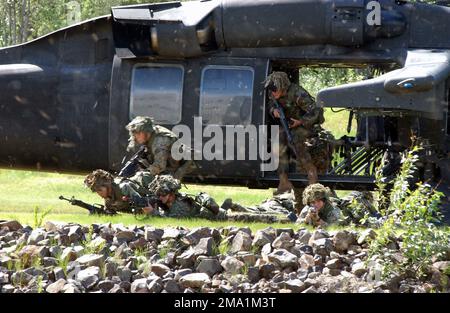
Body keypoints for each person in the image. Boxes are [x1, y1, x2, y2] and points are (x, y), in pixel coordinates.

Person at [264, 71, 325, 211]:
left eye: (275, 90)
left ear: (282, 87)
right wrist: (274, 111)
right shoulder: (273, 92)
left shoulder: (298, 93)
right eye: (271, 91)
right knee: (277, 141)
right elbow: (269, 105)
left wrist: (300, 121)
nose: (273, 93)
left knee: (298, 144)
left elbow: (316, 112)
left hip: (306, 126)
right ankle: (283, 181)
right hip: (289, 126)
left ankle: (312, 180)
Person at [143, 175, 291, 223]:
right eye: (159, 196)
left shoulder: (180, 205)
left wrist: (152, 213)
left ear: (171, 194)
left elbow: (171, 219)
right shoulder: (174, 201)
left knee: (257, 218)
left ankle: (285, 219)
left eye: (162, 195)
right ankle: (235, 206)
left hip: (223, 218)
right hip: (217, 214)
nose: (160, 198)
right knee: (253, 214)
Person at [125, 116, 193, 181]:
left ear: (145, 132)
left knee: (166, 186)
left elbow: (159, 166)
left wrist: (140, 175)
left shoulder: (160, 140)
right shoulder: (151, 134)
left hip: (181, 165)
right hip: (169, 164)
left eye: (137, 133)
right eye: (134, 133)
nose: (135, 136)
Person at [84, 169, 154, 214]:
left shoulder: (124, 188)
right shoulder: (108, 199)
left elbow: (146, 207)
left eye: (100, 190)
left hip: (151, 187)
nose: (99, 193)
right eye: (96, 191)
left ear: (108, 186)